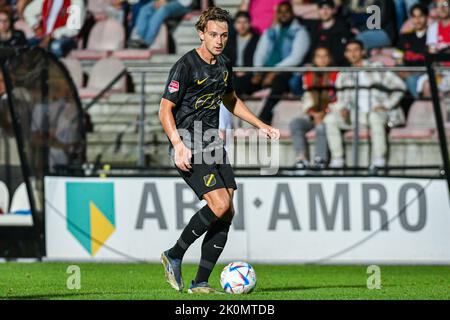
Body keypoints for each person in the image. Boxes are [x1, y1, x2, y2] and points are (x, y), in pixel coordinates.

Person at [158, 7, 278, 294]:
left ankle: (200, 282)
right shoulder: (186, 65)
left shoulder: (224, 65)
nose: (219, 40)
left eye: (224, 35)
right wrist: (178, 145)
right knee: (219, 204)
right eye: (213, 34)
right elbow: (165, 110)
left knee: (228, 212)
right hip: (188, 143)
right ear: (201, 34)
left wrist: (261, 124)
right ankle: (174, 254)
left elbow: (231, 100)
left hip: (213, 145)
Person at [324, 40, 407, 169]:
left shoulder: (377, 68)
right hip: (357, 115)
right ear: (345, 54)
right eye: (349, 50)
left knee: (374, 117)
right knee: (330, 119)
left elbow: (400, 86)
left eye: (356, 49)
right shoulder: (343, 75)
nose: (353, 53)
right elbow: (341, 100)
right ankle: (337, 159)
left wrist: (387, 105)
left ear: (363, 52)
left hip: (379, 112)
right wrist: (343, 108)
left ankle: (379, 159)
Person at [253, 1, 310, 124]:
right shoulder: (270, 31)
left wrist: (274, 71)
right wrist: (258, 71)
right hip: (266, 70)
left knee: (280, 80)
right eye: (280, 12)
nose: (283, 15)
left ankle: (264, 116)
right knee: (240, 82)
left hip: (288, 72)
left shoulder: (300, 32)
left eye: (286, 12)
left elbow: (296, 58)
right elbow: (260, 53)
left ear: (292, 13)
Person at [289, 46, 337, 171]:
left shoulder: (336, 74)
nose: (322, 59)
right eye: (319, 56)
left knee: (322, 126)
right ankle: (301, 158)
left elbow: (338, 99)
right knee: (296, 123)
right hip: (313, 114)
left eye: (325, 56)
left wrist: (324, 113)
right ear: (314, 59)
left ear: (330, 58)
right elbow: (305, 97)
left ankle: (320, 159)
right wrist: (313, 113)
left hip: (330, 114)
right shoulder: (308, 75)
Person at [222, 10, 260, 96]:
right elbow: (225, 57)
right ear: (235, 24)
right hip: (234, 72)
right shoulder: (231, 39)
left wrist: (245, 71)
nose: (242, 26)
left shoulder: (257, 40)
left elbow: (259, 59)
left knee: (236, 85)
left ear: (250, 23)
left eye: (245, 22)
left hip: (250, 74)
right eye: (239, 22)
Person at [128, 0, 193, 48]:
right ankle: (139, 37)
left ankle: (146, 41)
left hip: (182, 3)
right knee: (144, 9)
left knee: (163, 10)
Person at [397, 3, 429, 98]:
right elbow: (397, 60)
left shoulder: (432, 35)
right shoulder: (404, 37)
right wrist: (401, 72)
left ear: (427, 17)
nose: (417, 20)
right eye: (414, 17)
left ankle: (422, 105)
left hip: (426, 72)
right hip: (407, 72)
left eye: (420, 16)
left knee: (412, 79)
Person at [307, 0, 353, 66]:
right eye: (321, 9)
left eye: (328, 8)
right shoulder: (313, 27)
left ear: (334, 10)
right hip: (316, 66)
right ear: (318, 11)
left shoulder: (343, 28)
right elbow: (311, 50)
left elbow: (343, 52)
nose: (324, 12)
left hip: (337, 67)